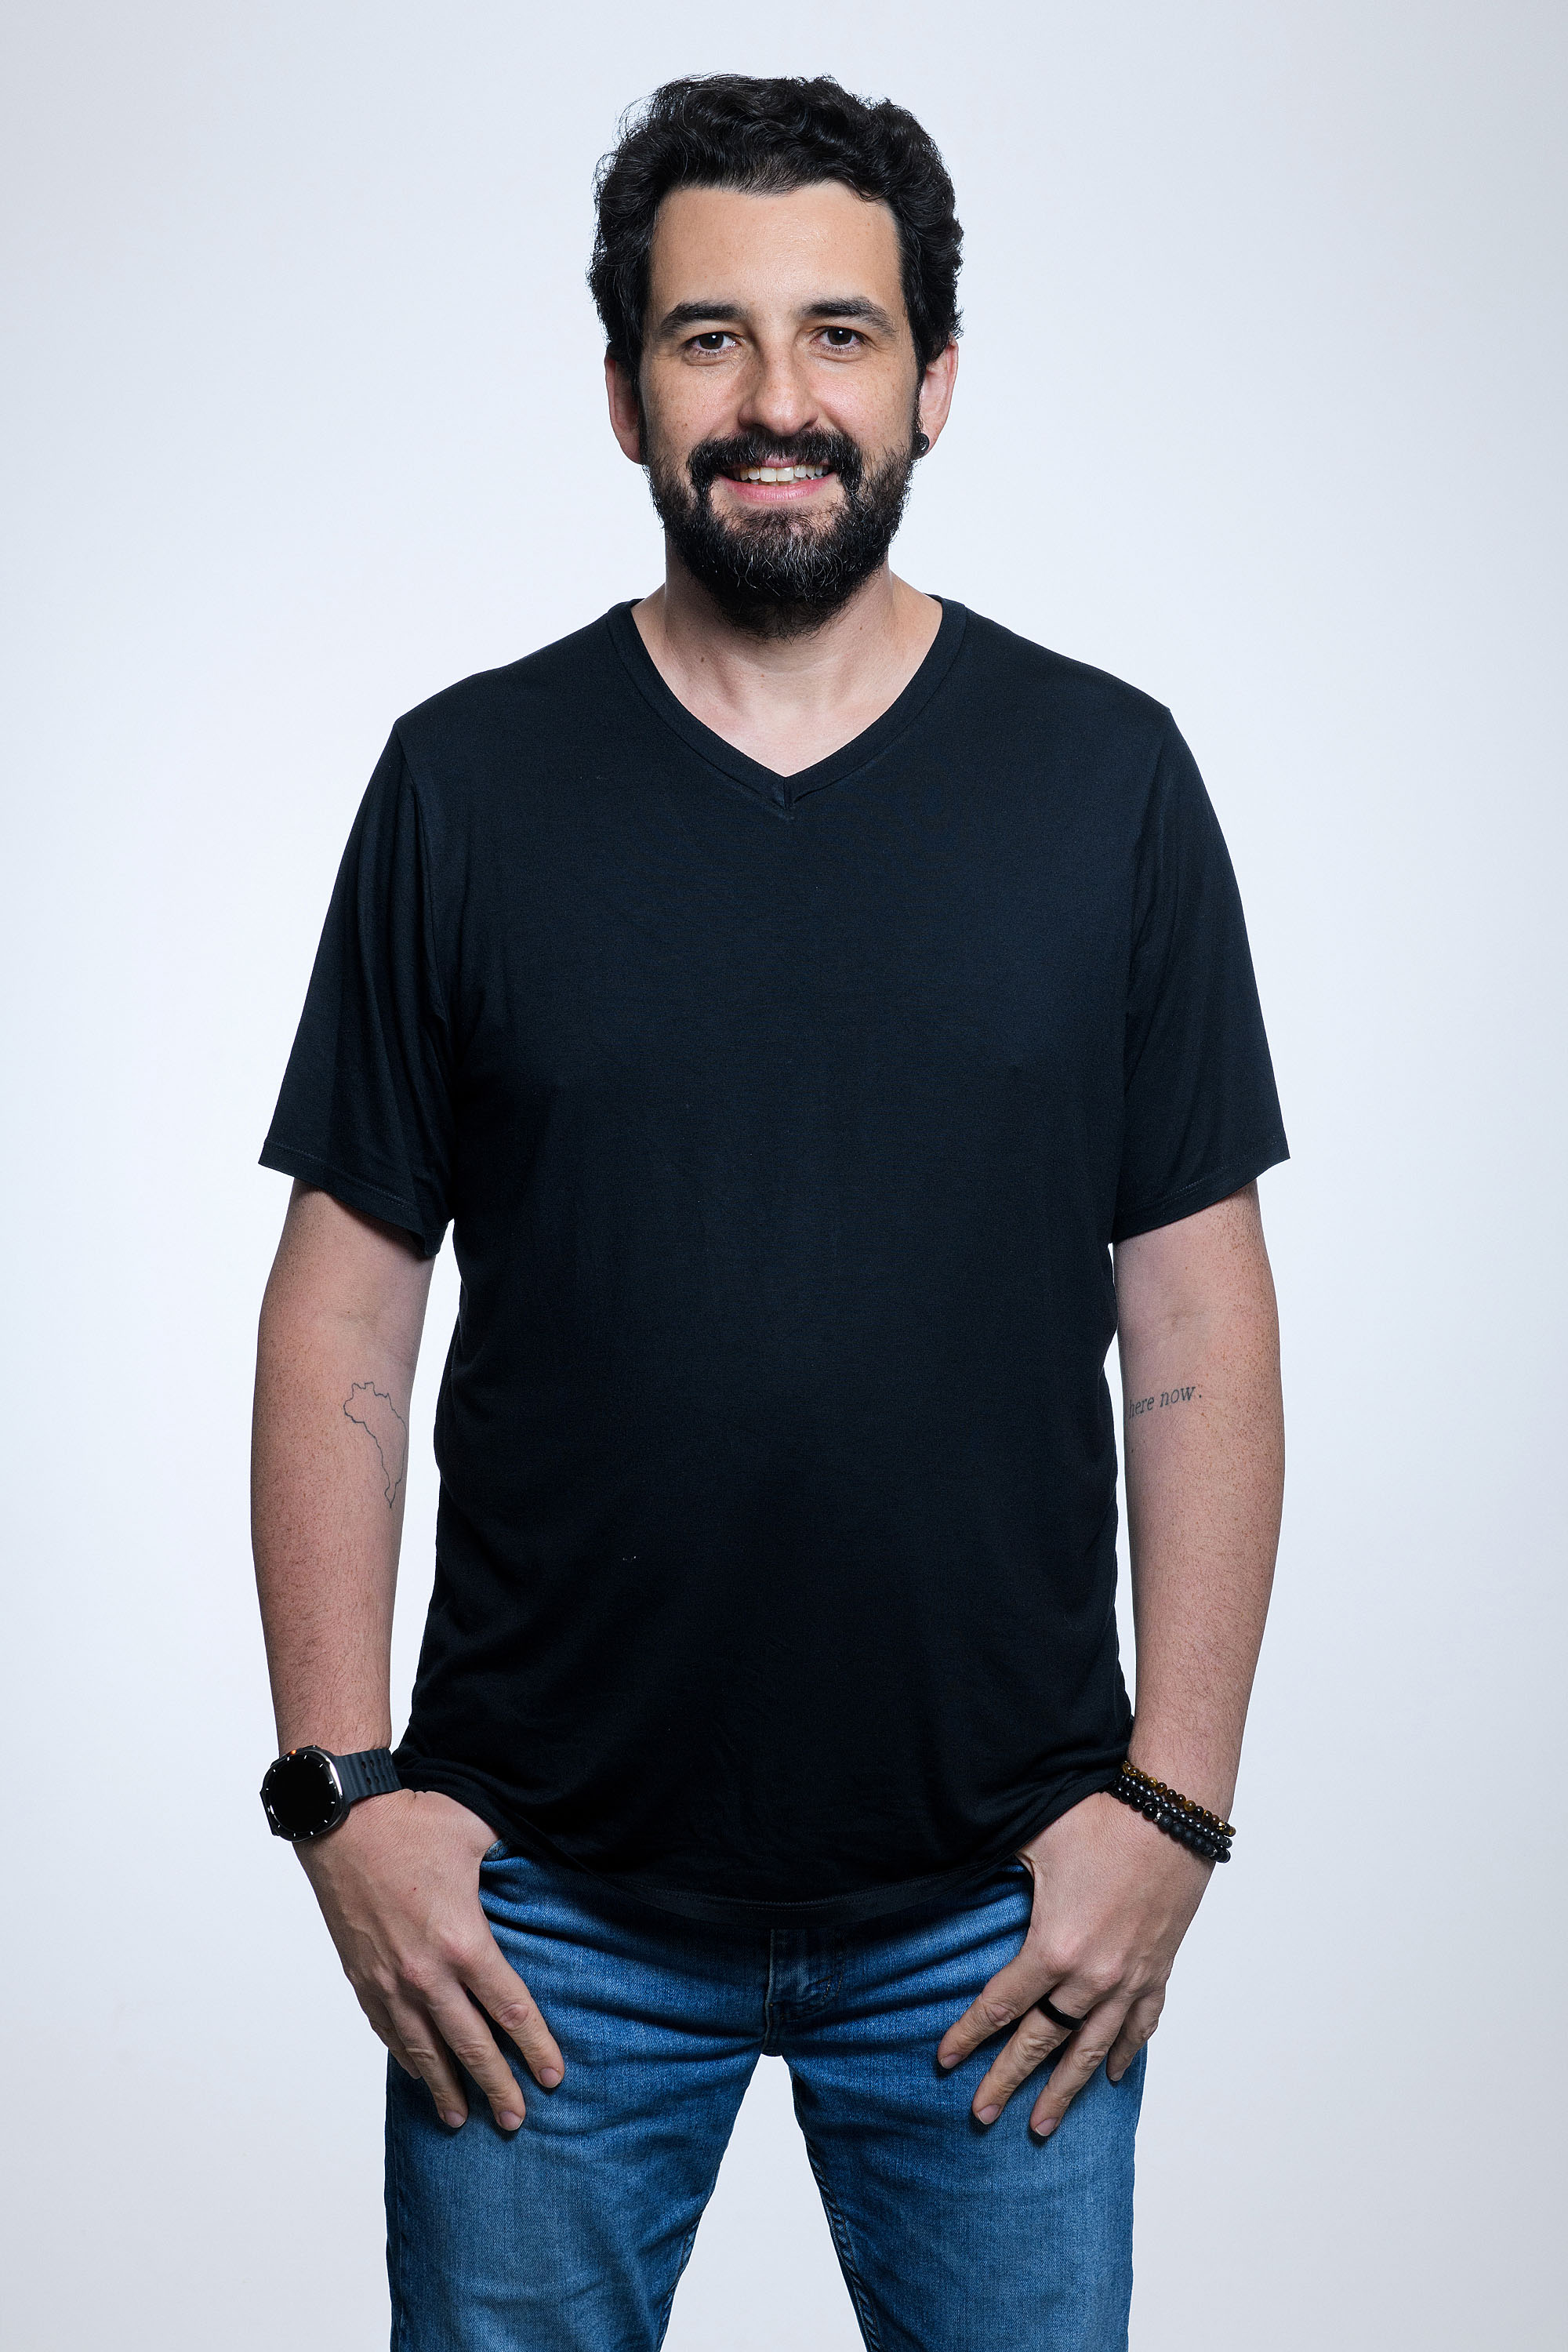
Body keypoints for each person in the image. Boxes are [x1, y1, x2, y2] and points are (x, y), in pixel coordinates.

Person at [252, 72, 1287, 2352]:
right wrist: (340, 1795)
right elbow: (343, 1314)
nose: (776, 401)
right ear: (626, 392)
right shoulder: (465, 784)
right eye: (708, 338)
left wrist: (1176, 1813)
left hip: (1002, 1914)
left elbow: (1199, 1325)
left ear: (936, 378)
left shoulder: (1106, 780)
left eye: (840, 333)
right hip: (538, 1916)